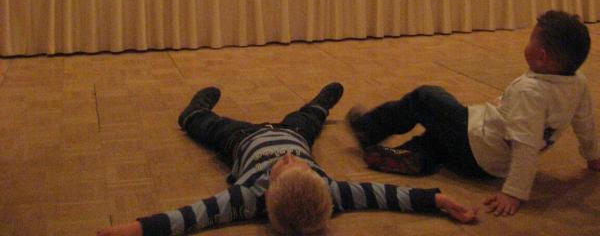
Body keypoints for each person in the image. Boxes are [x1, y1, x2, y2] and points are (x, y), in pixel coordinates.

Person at [96, 82, 477, 236]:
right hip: (294, 134)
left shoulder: (247, 197)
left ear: (269, 190)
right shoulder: (330, 191)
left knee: (202, 125)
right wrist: (438, 200)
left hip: (243, 140)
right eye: (301, 165)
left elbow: (190, 217)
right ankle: (320, 104)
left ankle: (195, 109)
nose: (292, 160)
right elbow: (385, 195)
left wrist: (133, 229)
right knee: (307, 120)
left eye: (287, 166)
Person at [346, 10, 600, 217]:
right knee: (438, 139)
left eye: (530, 39)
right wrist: (593, 156)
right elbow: (585, 123)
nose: (527, 42)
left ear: (541, 57)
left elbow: (526, 147)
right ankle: (416, 157)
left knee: (426, 97)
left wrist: (514, 192)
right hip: (491, 163)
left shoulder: (530, 91)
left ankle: (367, 128)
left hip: (476, 144)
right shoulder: (577, 83)